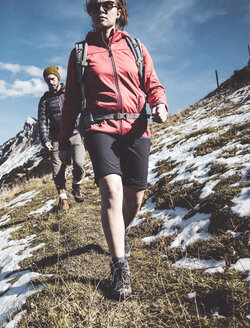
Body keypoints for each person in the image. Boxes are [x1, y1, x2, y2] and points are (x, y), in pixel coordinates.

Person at [58, 0, 168, 300]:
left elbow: (152, 83)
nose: (101, 10)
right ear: (90, 13)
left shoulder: (135, 47)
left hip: (136, 128)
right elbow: (70, 102)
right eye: (95, 6)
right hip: (98, 128)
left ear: (119, 10)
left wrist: (159, 103)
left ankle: (122, 231)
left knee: (135, 195)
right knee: (111, 191)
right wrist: (64, 141)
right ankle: (119, 266)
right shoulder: (81, 53)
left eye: (108, 4)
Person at [38, 66, 86, 212]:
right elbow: (42, 121)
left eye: (52, 79)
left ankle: (76, 185)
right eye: (47, 80)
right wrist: (45, 139)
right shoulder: (45, 100)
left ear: (58, 78)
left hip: (75, 133)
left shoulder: (70, 92)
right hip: (56, 138)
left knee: (79, 164)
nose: (50, 82)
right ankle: (63, 199)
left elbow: (82, 108)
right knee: (57, 170)